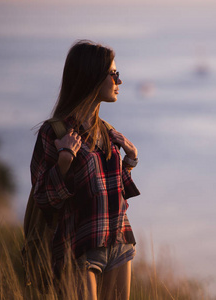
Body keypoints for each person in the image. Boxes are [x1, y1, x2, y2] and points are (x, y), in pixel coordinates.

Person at [30, 40, 140, 300]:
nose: (119, 81)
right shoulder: (54, 133)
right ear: (92, 77)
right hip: (78, 246)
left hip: (119, 239)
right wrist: (64, 162)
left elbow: (114, 191)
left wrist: (130, 161)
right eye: (114, 74)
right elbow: (43, 199)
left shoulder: (108, 131)